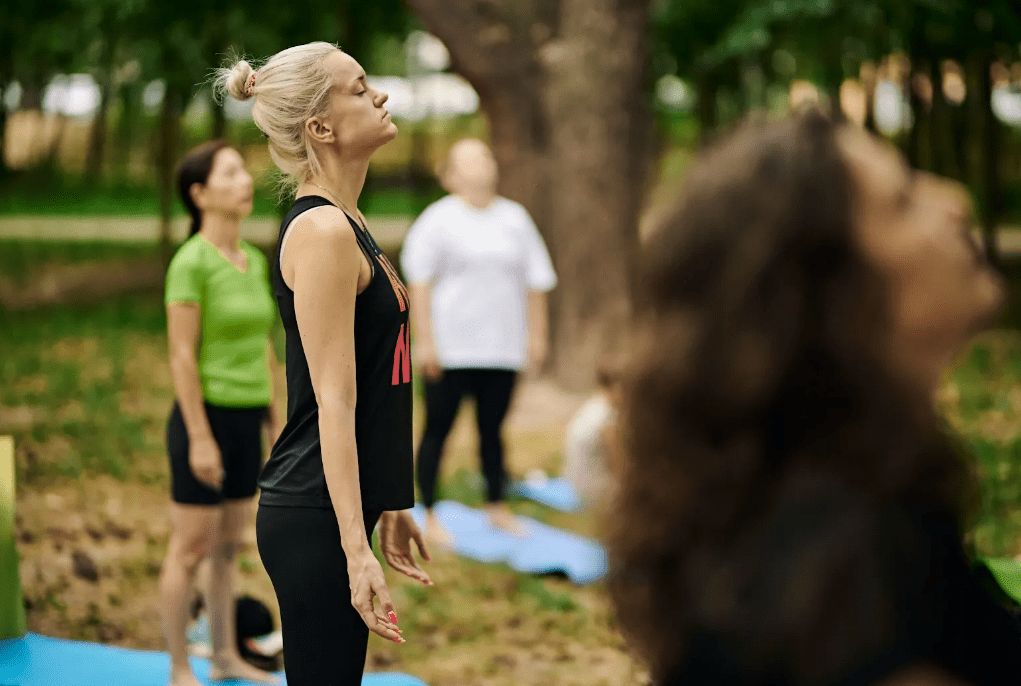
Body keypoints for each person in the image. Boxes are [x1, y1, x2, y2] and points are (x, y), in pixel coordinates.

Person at [607, 109, 1021, 686]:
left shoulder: (853, 498)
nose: (955, 201)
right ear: (826, 296)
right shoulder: (842, 570)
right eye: (903, 201)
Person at [215, 42, 433, 686]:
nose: (380, 96)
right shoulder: (324, 233)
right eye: (360, 88)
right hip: (313, 514)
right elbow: (332, 401)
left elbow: (375, 375)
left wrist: (388, 501)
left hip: (336, 504)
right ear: (320, 127)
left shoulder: (348, 221)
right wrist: (353, 549)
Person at [159, 140, 282, 686]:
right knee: (190, 550)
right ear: (200, 193)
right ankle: (180, 666)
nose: (245, 181)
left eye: (243, 172)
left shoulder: (253, 260)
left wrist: (278, 420)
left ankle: (226, 655)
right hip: (202, 419)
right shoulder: (191, 262)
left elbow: (265, 347)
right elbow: (182, 356)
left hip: (246, 419)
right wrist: (200, 437)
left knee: (230, 549)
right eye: (230, 173)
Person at [400, 138, 558, 545]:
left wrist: (537, 337)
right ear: (450, 175)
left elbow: (537, 280)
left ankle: (497, 506)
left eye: (485, 157)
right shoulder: (438, 220)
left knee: (493, 431)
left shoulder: (515, 219)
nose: (480, 167)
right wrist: (426, 342)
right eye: (469, 161)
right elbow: (419, 284)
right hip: (451, 350)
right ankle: (429, 510)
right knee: (438, 428)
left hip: (502, 348)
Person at [561, 352, 624, 511]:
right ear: (617, 386)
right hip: (594, 495)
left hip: (575, 486)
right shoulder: (609, 417)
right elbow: (618, 465)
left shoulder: (594, 405)